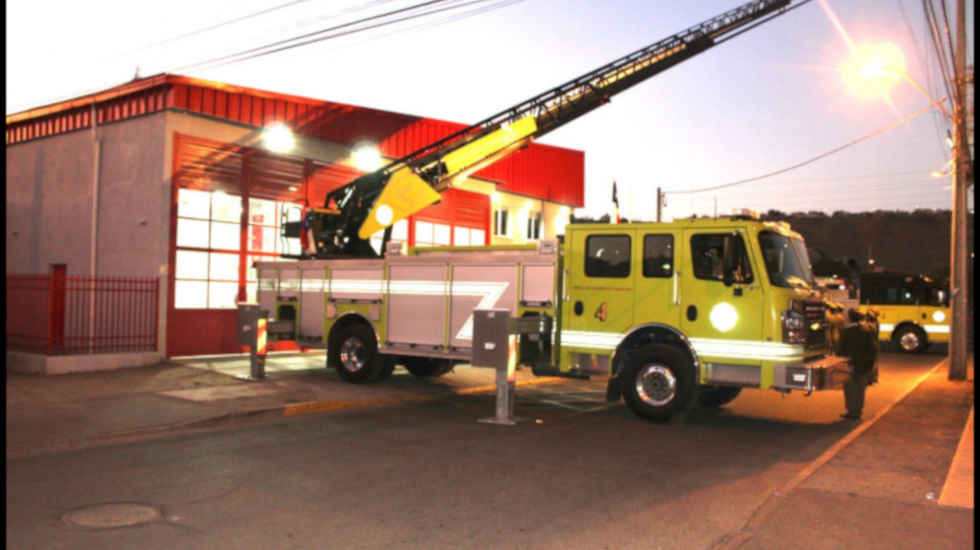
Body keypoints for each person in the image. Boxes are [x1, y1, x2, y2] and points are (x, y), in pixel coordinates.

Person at [838, 309, 877, 420]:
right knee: (860, 389)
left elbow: (840, 350)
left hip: (850, 364)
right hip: (863, 365)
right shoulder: (867, 331)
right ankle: (857, 411)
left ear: (850, 318)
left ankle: (851, 410)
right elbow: (873, 349)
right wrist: (870, 364)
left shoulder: (847, 332)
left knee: (850, 389)